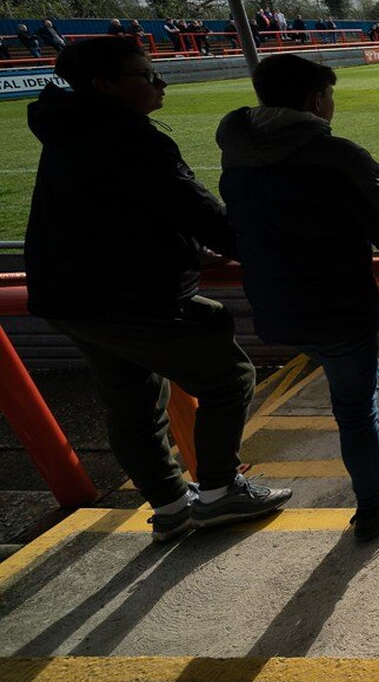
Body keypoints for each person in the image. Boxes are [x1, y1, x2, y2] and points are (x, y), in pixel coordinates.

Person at [24, 37, 293, 541]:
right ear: (106, 86)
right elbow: (193, 208)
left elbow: (118, 214)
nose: (160, 82)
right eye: (145, 76)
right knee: (228, 377)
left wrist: (191, 247)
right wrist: (259, 250)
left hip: (67, 296)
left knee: (131, 402)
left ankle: (170, 506)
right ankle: (219, 491)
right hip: (126, 296)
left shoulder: (69, 128)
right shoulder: (128, 137)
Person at [217, 54, 379, 541]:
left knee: (358, 393)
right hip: (335, 304)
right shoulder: (340, 156)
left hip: (273, 304)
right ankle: (375, 503)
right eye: (330, 95)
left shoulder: (238, 151)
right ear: (317, 99)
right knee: (355, 407)